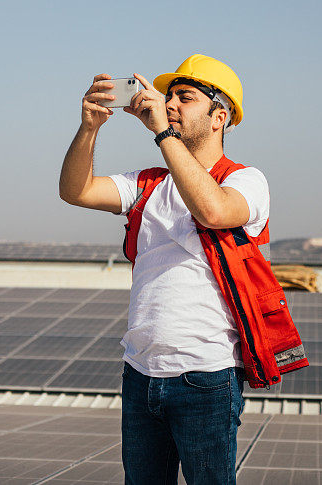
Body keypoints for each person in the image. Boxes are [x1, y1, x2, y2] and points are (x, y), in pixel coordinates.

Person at [59, 54, 282, 485]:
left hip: (208, 376)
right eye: (169, 97)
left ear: (220, 117)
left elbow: (214, 210)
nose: (171, 104)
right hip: (141, 374)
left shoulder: (246, 179)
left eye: (186, 97)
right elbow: (76, 190)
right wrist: (89, 127)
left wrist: (162, 131)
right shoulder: (148, 183)